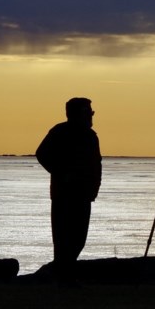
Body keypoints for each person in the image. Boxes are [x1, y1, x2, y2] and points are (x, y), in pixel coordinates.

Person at [36, 97, 102, 282]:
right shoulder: (60, 131)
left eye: (91, 111)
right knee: (63, 238)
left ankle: (66, 275)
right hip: (63, 195)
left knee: (79, 238)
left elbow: (96, 164)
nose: (91, 115)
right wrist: (61, 173)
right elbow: (41, 154)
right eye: (88, 111)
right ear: (77, 113)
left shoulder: (90, 136)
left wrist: (94, 187)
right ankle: (63, 278)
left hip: (83, 194)